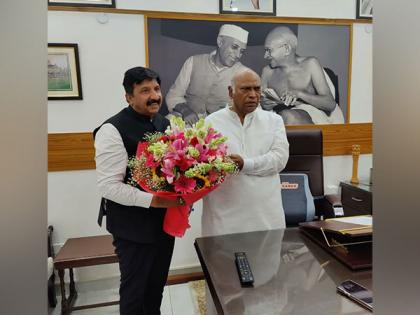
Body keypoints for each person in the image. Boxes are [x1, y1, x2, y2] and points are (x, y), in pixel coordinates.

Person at [93, 67, 184, 315]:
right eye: (144, 91)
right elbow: (108, 186)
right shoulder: (111, 130)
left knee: (156, 289)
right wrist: (154, 201)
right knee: (135, 293)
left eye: (156, 89)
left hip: (164, 225)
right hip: (132, 228)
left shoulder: (165, 124)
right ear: (128, 97)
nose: (154, 95)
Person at [202, 69, 289, 237]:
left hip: (266, 218)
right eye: (246, 89)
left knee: (266, 263)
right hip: (223, 218)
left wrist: (245, 164)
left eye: (257, 89)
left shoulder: (274, 121)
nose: (253, 95)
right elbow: (203, 165)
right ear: (230, 91)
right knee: (223, 263)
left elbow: (280, 160)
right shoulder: (211, 122)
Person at [166, 24, 250, 125]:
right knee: (167, 124)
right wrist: (185, 111)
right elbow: (174, 96)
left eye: (242, 51)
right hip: (189, 123)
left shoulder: (245, 74)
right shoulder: (193, 62)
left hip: (223, 126)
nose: (238, 55)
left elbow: (253, 109)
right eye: (234, 47)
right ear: (220, 41)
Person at [261, 26, 344, 125]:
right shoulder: (267, 72)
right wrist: (264, 105)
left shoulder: (310, 64)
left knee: (289, 116)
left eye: (269, 50)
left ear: (287, 49)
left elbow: (330, 104)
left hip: (312, 120)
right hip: (279, 124)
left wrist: (299, 94)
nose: (265, 56)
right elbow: (260, 109)